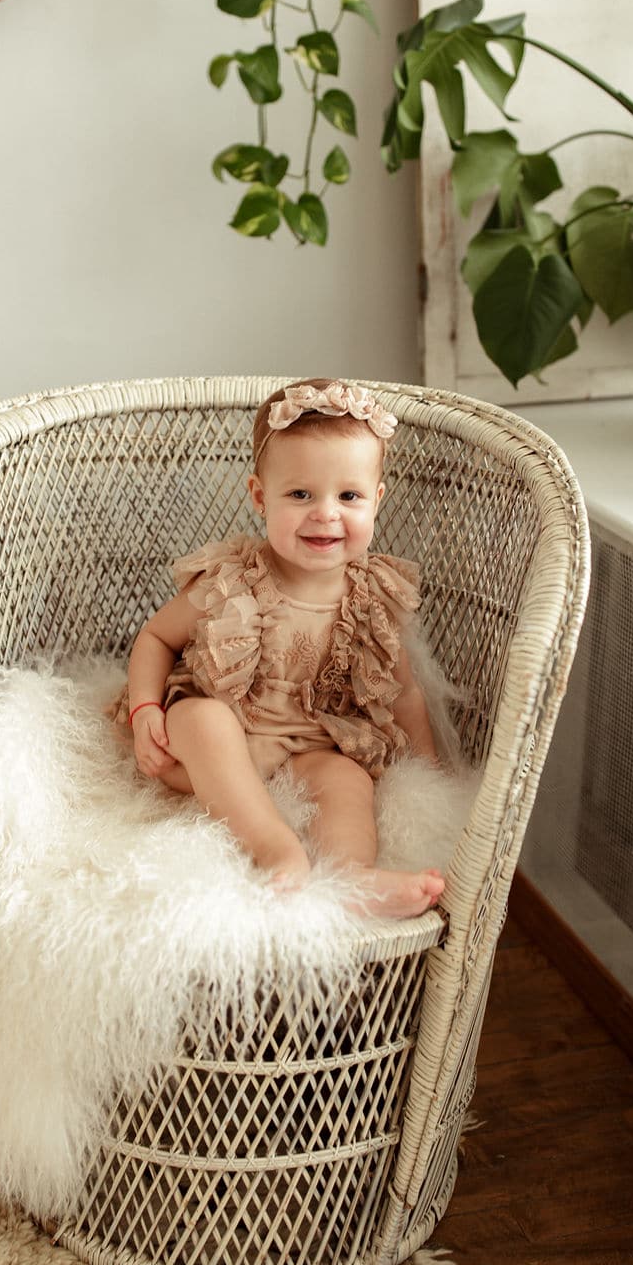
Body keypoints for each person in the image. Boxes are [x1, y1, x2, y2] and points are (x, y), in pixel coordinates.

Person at [116, 379, 446, 920]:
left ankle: (351, 876)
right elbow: (155, 637)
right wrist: (145, 708)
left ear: (377, 500)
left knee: (348, 781)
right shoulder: (232, 581)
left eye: (349, 496)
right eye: (300, 495)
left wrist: (430, 778)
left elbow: (404, 691)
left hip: (314, 747)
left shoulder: (372, 598)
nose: (325, 514)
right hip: (224, 748)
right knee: (200, 718)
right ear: (259, 496)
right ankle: (276, 850)